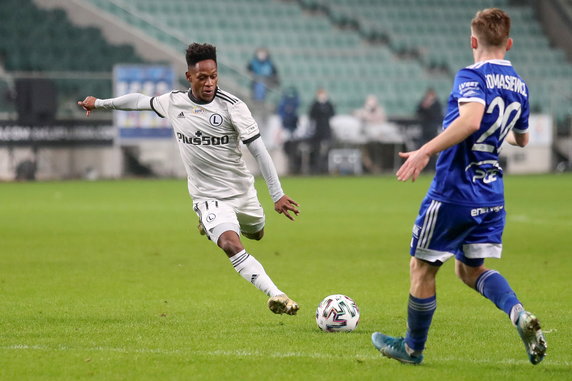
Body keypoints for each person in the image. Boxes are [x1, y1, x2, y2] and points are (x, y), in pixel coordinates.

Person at [371, 8, 547, 365]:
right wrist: (497, 131)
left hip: (454, 191)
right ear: (509, 43)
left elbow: (470, 120)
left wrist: (423, 151)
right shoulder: (520, 86)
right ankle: (519, 315)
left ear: (472, 41)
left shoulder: (471, 74)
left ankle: (411, 349)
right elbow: (523, 139)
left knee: (421, 268)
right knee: (468, 270)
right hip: (491, 194)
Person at [77, 43, 300, 316]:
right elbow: (138, 101)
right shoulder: (174, 102)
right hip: (207, 195)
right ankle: (276, 294)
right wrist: (99, 104)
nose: (209, 83)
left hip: (241, 191)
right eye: (202, 77)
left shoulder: (234, 108)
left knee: (257, 233)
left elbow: (260, 151)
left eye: (214, 76)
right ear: (189, 77)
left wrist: (276, 194)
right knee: (231, 244)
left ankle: (211, 227)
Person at [353, 94, 387, 173]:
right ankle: (369, 167)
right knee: (364, 152)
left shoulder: (380, 111)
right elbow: (358, 115)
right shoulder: (363, 111)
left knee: (379, 152)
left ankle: (378, 167)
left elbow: (382, 121)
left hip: (378, 138)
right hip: (366, 139)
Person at [308, 88, 335, 174]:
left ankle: (326, 167)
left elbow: (332, 113)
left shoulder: (328, 104)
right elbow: (311, 115)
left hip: (326, 130)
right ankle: (316, 168)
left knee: (327, 149)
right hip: (317, 130)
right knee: (316, 150)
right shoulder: (315, 104)